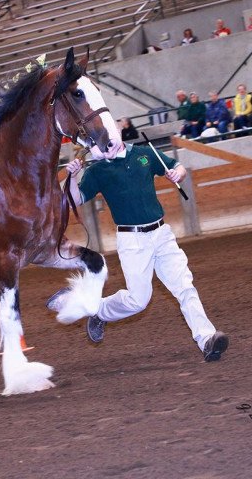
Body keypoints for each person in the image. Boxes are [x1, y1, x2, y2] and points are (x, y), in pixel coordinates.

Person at [64, 146, 229, 362]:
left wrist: (177, 173)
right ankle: (101, 310)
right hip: (132, 240)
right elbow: (73, 200)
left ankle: (206, 339)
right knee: (138, 301)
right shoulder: (97, 170)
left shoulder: (144, 154)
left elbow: (175, 166)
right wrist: (72, 177)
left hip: (161, 233)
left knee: (184, 286)